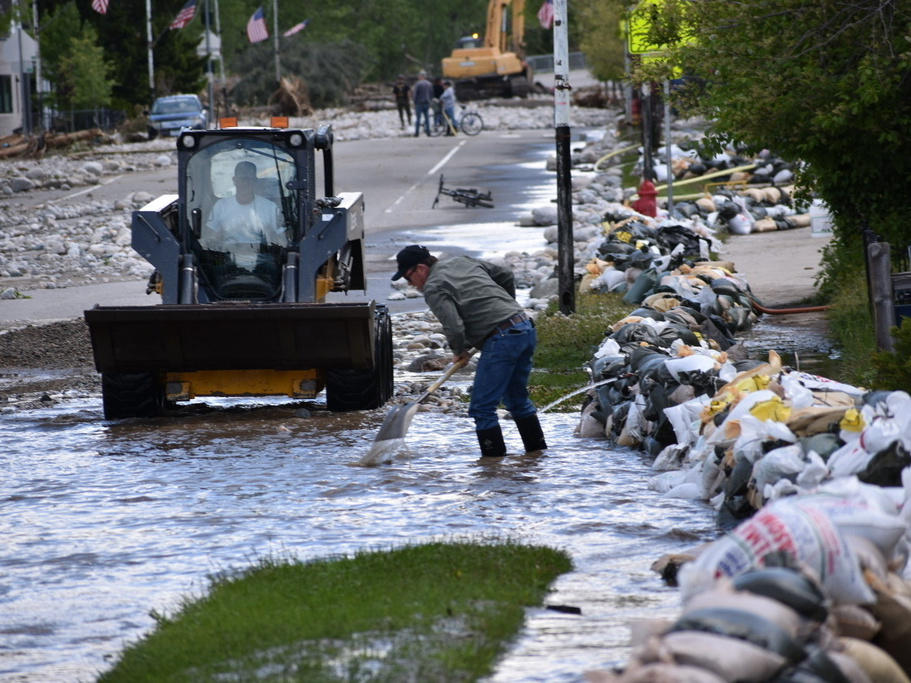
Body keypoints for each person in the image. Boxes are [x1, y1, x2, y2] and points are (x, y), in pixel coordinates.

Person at [391, 245, 547, 458]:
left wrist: (459, 351)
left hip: (502, 338)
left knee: (482, 408)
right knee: (517, 400)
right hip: (524, 328)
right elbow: (505, 274)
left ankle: (492, 470)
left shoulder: (434, 286)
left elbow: (453, 326)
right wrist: (508, 306)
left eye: (409, 278)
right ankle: (537, 457)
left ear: (420, 269)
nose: (410, 284)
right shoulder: (461, 261)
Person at [205, 160, 285, 270]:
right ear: (235, 180)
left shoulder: (271, 208)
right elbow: (209, 238)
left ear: (255, 181)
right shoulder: (221, 206)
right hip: (227, 260)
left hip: (263, 260)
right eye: (242, 179)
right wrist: (218, 237)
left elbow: (282, 240)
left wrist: (271, 234)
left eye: (249, 179)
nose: (245, 183)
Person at [412, 71, 433, 137]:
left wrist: (414, 102)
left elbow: (415, 94)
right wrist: (430, 101)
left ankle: (417, 133)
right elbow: (431, 93)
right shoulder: (429, 84)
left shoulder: (418, 84)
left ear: (421, 76)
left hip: (419, 103)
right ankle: (428, 132)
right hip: (427, 103)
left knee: (418, 118)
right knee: (427, 118)